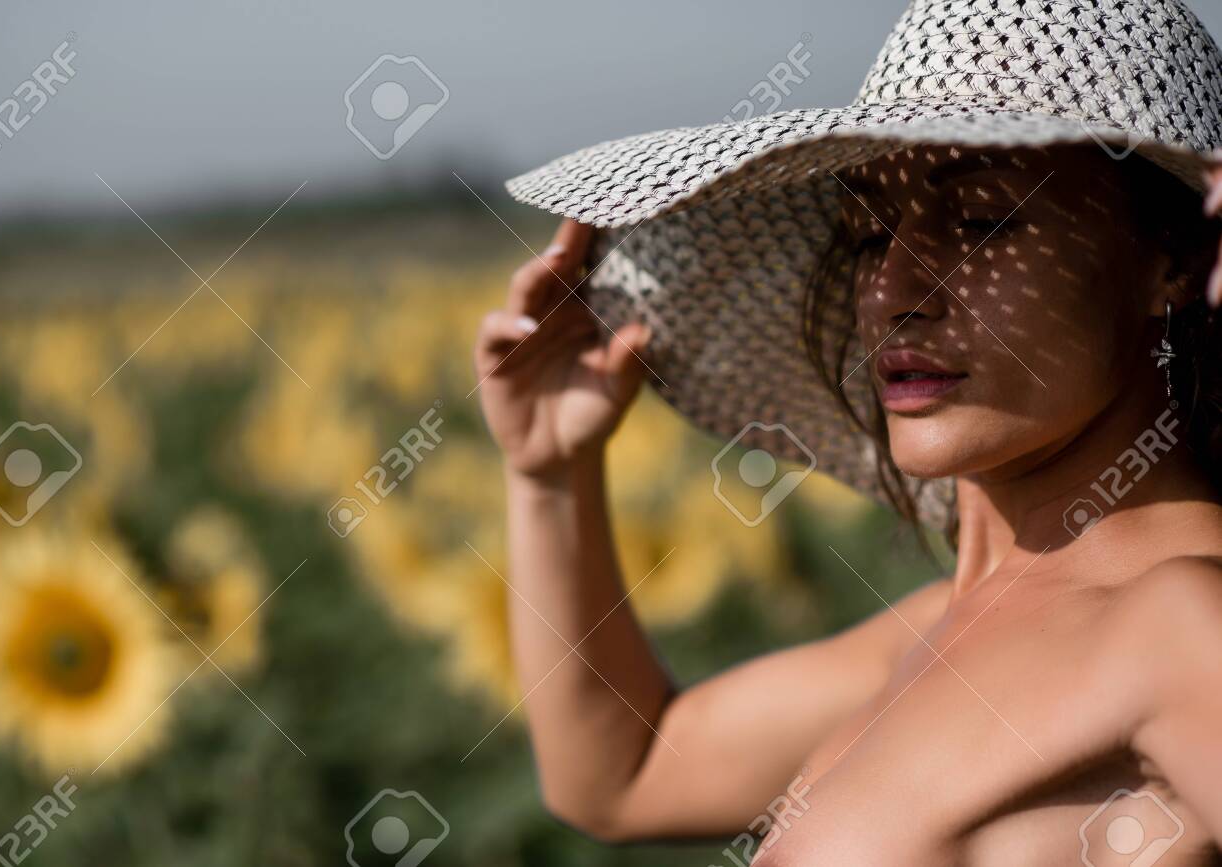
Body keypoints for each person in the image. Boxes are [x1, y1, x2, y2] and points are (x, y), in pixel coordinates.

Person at [477, 1, 1222, 863]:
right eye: (868, 233)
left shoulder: (1178, 624)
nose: (891, 291)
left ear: (1174, 258)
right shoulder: (929, 633)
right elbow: (618, 773)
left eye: (981, 222)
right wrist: (550, 475)